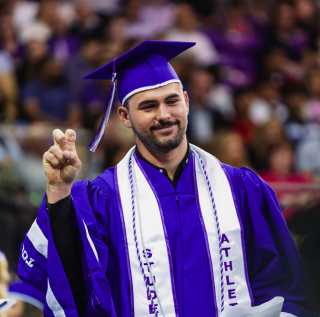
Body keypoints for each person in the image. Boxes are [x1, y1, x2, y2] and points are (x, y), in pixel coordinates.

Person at [18, 41, 314, 317]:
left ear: (186, 101)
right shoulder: (103, 200)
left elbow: (284, 285)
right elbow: (70, 286)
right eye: (148, 106)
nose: (164, 114)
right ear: (124, 116)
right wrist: (58, 190)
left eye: (171, 101)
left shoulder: (240, 189)